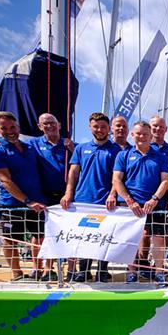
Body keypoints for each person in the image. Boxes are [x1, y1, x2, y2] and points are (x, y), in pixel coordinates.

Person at [0, 111, 47, 281]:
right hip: (12, 204)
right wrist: (27, 201)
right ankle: (17, 274)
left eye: (12, 127)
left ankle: (37, 270)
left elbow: (48, 141)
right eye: (3, 128)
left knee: (39, 236)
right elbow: (5, 180)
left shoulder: (29, 147)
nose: (9, 131)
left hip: (37, 202)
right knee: (11, 240)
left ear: (18, 127)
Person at [62, 112, 122, 283]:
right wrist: (68, 193)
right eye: (96, 126)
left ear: (108, 128)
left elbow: (117, 177)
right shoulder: (81, 148)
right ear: (90, 127)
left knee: (104, 238)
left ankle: (102, 270)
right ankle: (84, 270)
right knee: (84, 237)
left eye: (103, 127)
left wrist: (112, 194)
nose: (100, 130)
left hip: (106, 202)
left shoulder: (116, 150)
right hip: (82, 200)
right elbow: (73, 172)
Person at [112, 121, 168, 285]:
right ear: (132, 135)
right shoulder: (123, 155)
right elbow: (117, 179)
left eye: (145, 134)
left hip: (155, 204)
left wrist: (155, 199)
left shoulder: (160, 156)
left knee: (158, 238)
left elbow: (165, 181)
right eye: (138, 133)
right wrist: (130, 201)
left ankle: (159, 272)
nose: (141, 137)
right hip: (131, 205)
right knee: (131, 239)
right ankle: (132, 272)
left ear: (150, 135)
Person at [29, 112, 75, 280]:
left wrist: (73, 149)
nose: (49, 126)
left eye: (52, 122)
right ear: (39, 127)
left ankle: (63, 269)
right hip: (42, 196)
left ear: (59, 125)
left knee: (67, 233)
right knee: (40, 234)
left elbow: (82, 163)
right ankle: (40, 268)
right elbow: (15, 146)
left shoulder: (69, 144)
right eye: (45, 123)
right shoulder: (33, 144)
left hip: (65, 197)